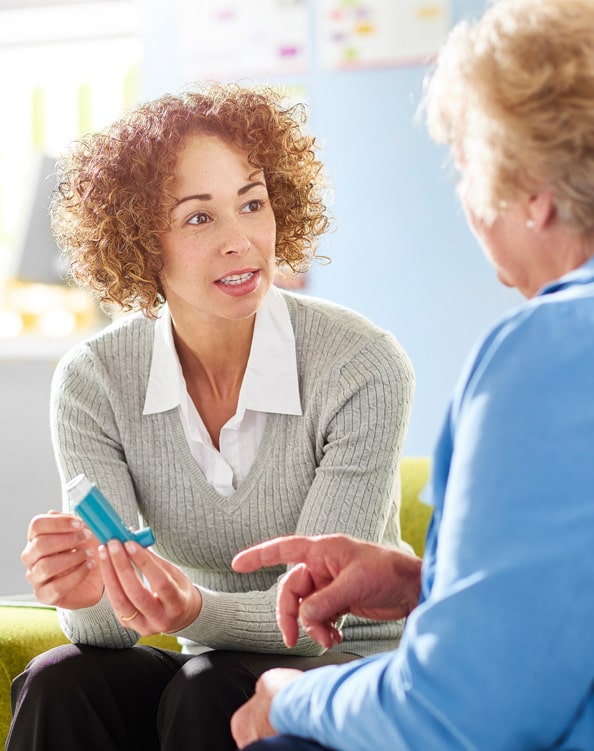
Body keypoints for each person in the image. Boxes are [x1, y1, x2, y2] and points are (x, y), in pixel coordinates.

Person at [229, 1, 594, 748]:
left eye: (465, 164)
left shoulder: (551, 347)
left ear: (531, 192)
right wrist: (427, 582)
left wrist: (292, 698)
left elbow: (463, 713)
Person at [8, 83, 415, 751]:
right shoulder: (93, 380)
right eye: (200, 218)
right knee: (61, 679)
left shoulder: (362, 364)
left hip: (346, 661)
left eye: (252, 204)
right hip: (208, 657)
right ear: (141, 242)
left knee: (211, 686)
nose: (240, 241)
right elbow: (107, 630)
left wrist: (197, 609)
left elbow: (315, 612)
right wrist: (85, 593)